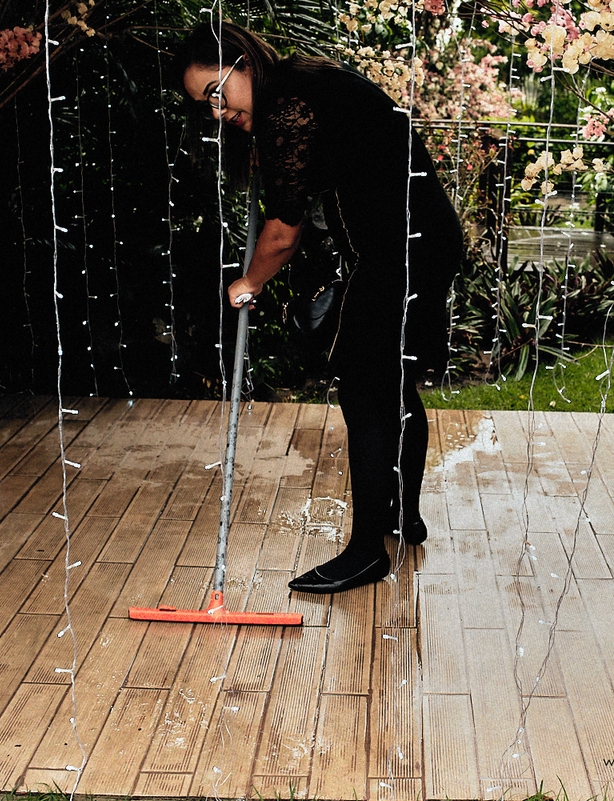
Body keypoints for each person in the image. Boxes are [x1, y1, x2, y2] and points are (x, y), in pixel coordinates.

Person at [177, 22, 462, 594]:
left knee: (365, 387)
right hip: (423, 241)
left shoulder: (288, 103)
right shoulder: (300, 85)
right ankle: (401, 519)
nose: (216, 113)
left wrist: (247, 282)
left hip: (398, 250)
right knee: (393, 384)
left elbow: (283, 232)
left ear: (240, 65)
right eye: (204, 105)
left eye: (216, 93)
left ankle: (366, 551)